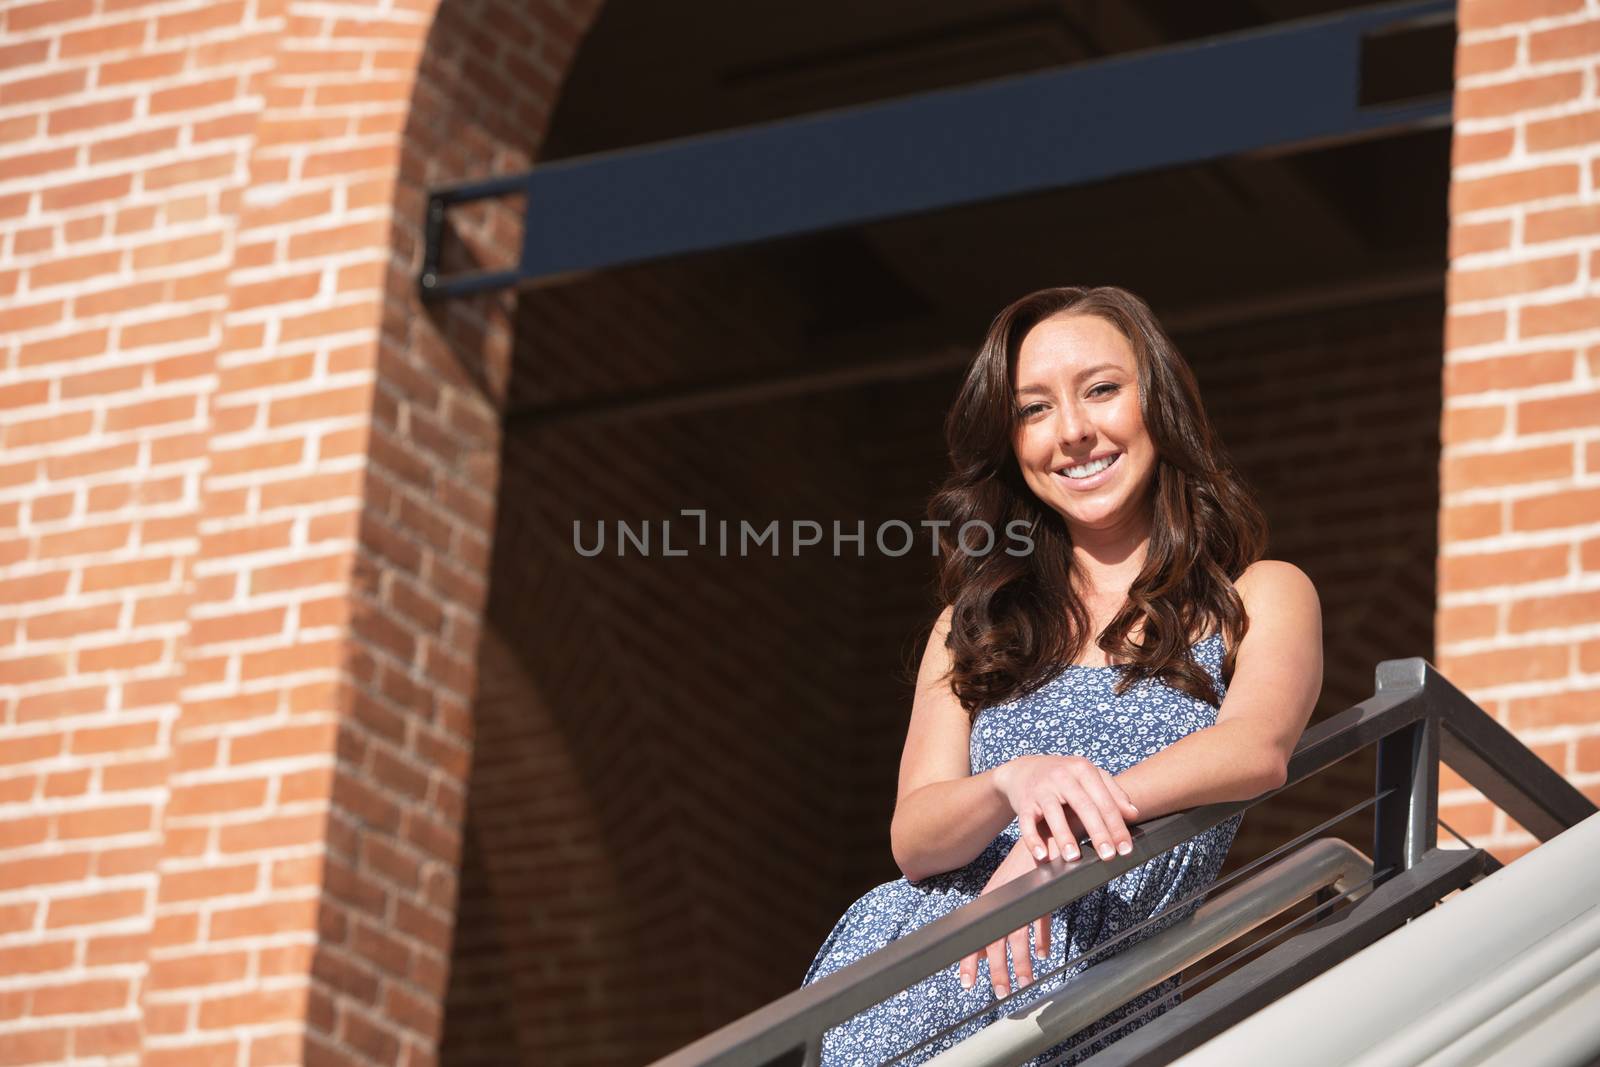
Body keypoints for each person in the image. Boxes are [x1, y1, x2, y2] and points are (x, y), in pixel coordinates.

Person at [800, 285, 1323, 1066]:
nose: (1073, 432)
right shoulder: (972, 622)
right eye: (1033, 409)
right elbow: (915, 837)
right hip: (918, 967)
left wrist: (1058, 837)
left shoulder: (1262, 592)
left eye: (1102, 390)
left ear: (1162, 404)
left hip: (1097, 991)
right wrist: (1017, 783)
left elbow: (1255, 749)